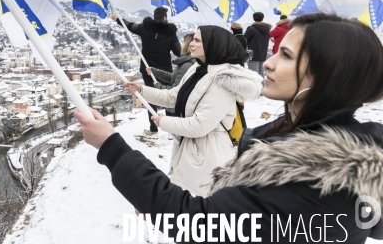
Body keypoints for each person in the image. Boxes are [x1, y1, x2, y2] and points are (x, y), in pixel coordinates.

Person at [74, 13, 383, 242]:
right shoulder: (295, 137)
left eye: (286, 55)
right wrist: (159, 204)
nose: (270, 63)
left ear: (327, 75)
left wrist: (111, 147)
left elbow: (200, 222)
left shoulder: (316, 177)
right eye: (276, 50)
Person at [120, 26, 263, 196]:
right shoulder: (197, 69)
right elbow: (173, 96)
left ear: (213, 45)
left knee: (199, 206)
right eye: (193, 39)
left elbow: (200, 125)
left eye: (197, 40)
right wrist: (142, 90)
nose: (191, 45)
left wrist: (163, 122)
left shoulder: (222, 82)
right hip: (190, 149)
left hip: (209, 156)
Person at [112, 7, 180, 135]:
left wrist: (117, 19)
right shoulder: (170, 33)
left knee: (150, 97)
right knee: (170, 98)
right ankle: (171, 129)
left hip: (147, 70)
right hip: (165, 71)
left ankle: (153, 128)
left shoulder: (145, 28)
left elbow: (129, 25)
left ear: (154, 17)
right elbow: (178, 51)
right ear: (165, 18)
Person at [146, 33, 195, 117]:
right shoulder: (185, 62)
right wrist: (155, 71)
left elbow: (175, 89)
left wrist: (158, 85)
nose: (181, 44)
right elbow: (172, 78)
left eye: (183, 42)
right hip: (174, 107)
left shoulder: (187, 65)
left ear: (187, 45)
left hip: (175, 108)